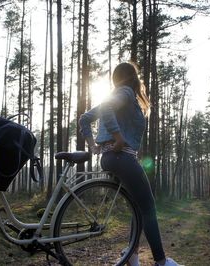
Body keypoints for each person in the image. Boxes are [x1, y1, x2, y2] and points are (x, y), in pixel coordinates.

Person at [79, 62, 182, 266]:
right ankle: (161, 262)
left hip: (110, 158)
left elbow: (84, 119)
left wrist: (94, 145)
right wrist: (118, 137)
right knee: (149, 207)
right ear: (132, 78)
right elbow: (104, 110)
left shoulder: (117, 95)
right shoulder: (125, 92)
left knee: (138, 205)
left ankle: (132, 255)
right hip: (122, 157)